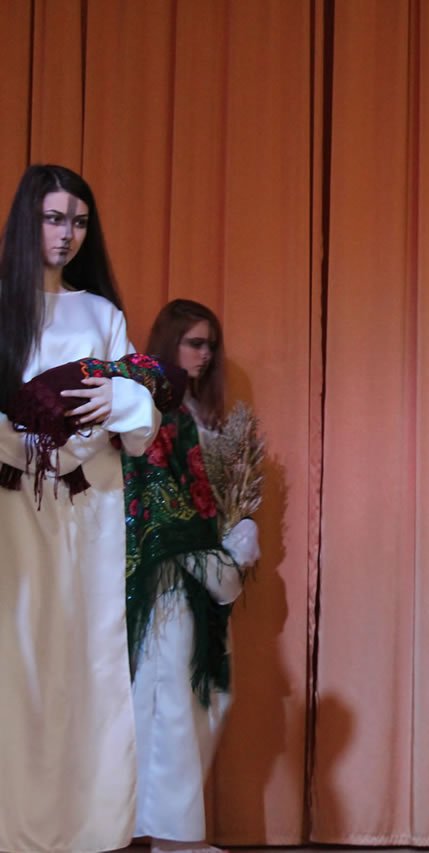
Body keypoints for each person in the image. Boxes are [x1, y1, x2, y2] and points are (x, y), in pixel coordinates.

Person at [0, 164, 162, 852]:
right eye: (54, 218)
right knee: (17, 661)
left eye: (79, 222)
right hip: (12, 506)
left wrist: (114, 401)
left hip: (87, 507)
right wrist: (26, 436)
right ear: (27, 221)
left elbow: (142, 411)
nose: (67, 234)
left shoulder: (100, 314)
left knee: (85, 660)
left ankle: (87, 829)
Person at [127, 299, 260, 853]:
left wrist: (242, 524)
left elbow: (225, 491)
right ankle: (173, 838)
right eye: (194, 343)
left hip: (206, 572)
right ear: (170, 343)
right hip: (169, 575)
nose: (204, 355)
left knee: (208, 697)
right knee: (172, 702)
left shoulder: (208, 417)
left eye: (210, 345)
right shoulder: (149, 410)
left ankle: (176, 831)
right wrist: (210, 557)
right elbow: (152, 496)